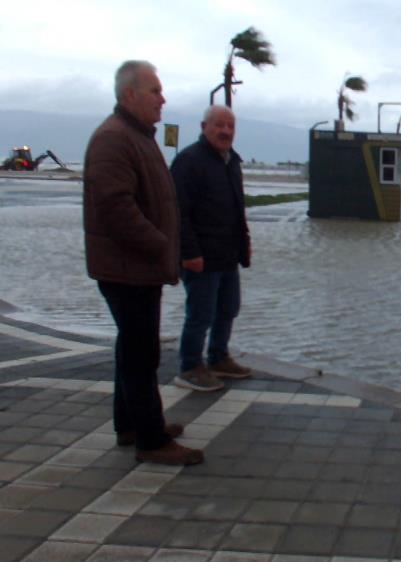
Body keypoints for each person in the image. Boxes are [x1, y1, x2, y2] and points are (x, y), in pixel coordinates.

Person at [83, 60, 202, 466]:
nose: (162, 98)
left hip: (136, 266)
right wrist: (160, 245)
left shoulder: (137, 135)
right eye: (155, 91)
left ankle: (131, 424)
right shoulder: (114, 139)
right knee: (141, 354)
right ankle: (150, 441)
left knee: (132, 349)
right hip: (127, 268)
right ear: (130, 94)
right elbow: (116, 208)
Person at [171, 105, 252, 392]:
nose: (226, 131)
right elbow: (178, 213)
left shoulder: (231, 162)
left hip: (227, 254)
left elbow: (236, 209)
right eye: (219, 125)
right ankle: (190, 366)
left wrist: (244, 246)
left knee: (228, 308)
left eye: (230, 126)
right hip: (200, 257)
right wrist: (189, 253)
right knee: (200, 314)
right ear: (204, 126)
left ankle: (218, 357)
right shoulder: (189, 161)